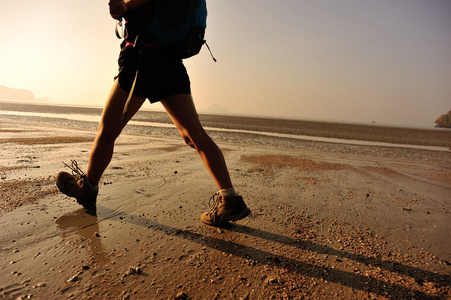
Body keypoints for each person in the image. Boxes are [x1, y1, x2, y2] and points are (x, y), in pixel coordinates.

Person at [56, 0, 250, 227]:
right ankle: (229, 197)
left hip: (141, 56)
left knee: (107, 131)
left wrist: (124, 6)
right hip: (170, 61)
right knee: (194, 135)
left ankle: (87, 189)